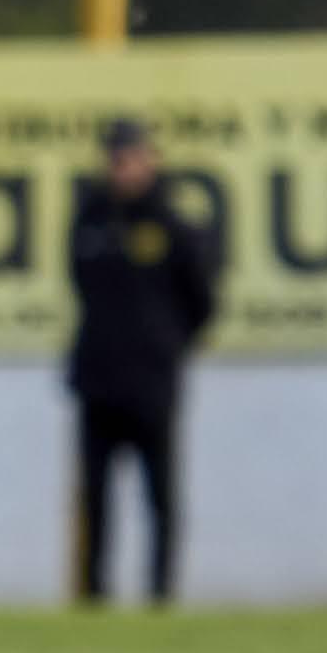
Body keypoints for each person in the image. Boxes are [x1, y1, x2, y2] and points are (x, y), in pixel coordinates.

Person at [63, 116, 220, 606]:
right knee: (96, 495)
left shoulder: (173, 226)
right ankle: (94, 595)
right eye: (115, 157)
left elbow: (202, 304)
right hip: (97, 378)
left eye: (131, 157)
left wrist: (164, 346)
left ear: (150, 160)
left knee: (161, 495)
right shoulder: (89, 219)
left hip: (153, 380)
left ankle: (160, 594)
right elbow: (79, 286)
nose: (122, 167)